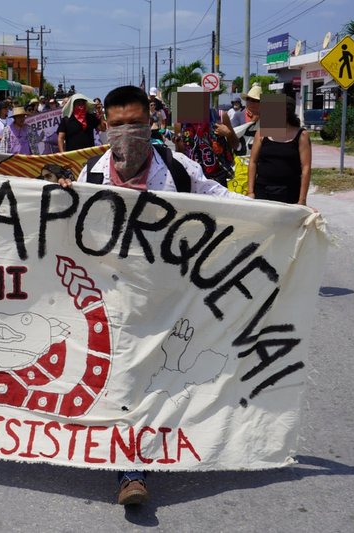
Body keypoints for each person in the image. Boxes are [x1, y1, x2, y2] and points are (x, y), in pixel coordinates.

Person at [59, 86, 244, 505]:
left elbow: (221, 200)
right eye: (118, 125)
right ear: (105, 126)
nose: (127, 133)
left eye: (135, 124)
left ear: (152, 122)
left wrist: (282, 214)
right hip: (112, 296)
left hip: (166, 295)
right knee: (126, 377)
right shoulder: (90, 173)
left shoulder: (177, 169)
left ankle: (150, 446)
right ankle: (130, 471)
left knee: (155, 378)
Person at [247, 97, 311, 205]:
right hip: (262, 190)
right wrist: (250, 192)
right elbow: (253, 162)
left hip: (290, 192)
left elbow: (306, 168)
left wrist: (302, 200)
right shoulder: (262, 132)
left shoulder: (301, 135)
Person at [173, 84, 238, 186]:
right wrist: (178, 141)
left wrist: (228, 134)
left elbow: (236, 145)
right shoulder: (180, 123)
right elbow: (181, 154)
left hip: (217, 177)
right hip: (192, 177)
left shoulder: (219, 116)